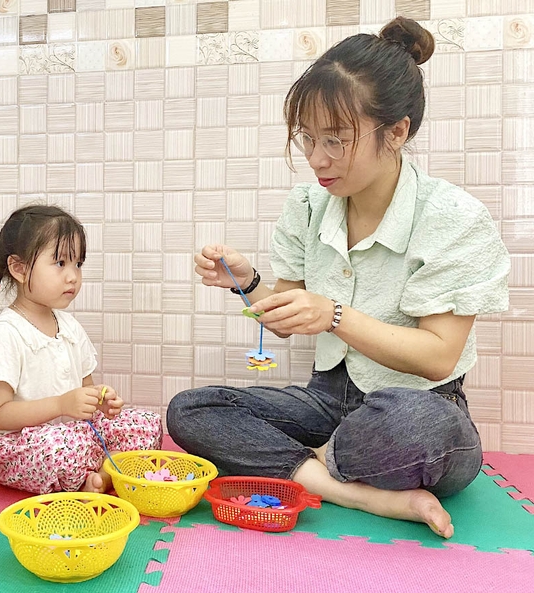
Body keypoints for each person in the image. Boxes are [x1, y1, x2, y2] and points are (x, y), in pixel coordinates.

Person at [166, 17, 510, 539]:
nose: (316, 159)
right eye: (307, 138)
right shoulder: (307, 207)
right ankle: (352, 490)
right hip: (327, 399)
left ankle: (310, 468)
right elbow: (285, 319)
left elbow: (438, 355)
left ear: (397, 131)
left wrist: (334, 314)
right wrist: (250, 281)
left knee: (418, 425)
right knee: (191, 409)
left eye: (336, 140)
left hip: (420, 404)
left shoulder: (452, 217)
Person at [0, 204, 163, 494]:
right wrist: (61, 405)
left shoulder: (70, 326)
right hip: (21, 445)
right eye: (60, 263)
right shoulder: (6, 332)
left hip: (75, 433)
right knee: (62, 449)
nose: (73, 276)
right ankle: (105, 473)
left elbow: (85, 392)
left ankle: (101, 478)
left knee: (145, 424)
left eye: (78, 264)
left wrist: (100, 401)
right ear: (19, 268)